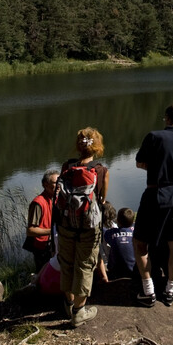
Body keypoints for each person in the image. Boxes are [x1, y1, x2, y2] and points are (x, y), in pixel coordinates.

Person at [133, 103, 173, 306]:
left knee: (140, 242)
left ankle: (148, 290)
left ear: (167, 119)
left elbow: (140, 162)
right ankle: (170, 290)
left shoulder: (154, 136)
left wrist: (157, 166)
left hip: (155, 194)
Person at [56, 128, 109, 326]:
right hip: (89, 227)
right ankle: (79, 311)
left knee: (67, 262)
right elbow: (102, 199)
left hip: (66, 224)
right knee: (85, 265)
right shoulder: (101, 170)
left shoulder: (66, 166)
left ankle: (68, 304)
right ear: (97, 146)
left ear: (79, 146)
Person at [23, 170, 59, 271]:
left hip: (53, 244)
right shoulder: (38, 203)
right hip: (42, 248)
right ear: (45, 185)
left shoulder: (56, 199)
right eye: (55, 182)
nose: (59, 185)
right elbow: (30, 231)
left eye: (60, 182)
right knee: (43, 273)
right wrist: (54, 230)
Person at [102, 207, 137, 281]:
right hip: (134, 271)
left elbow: (102, 230)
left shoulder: (112, 233)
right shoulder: (135, 232)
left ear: (117, 221)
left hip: (115, 272)